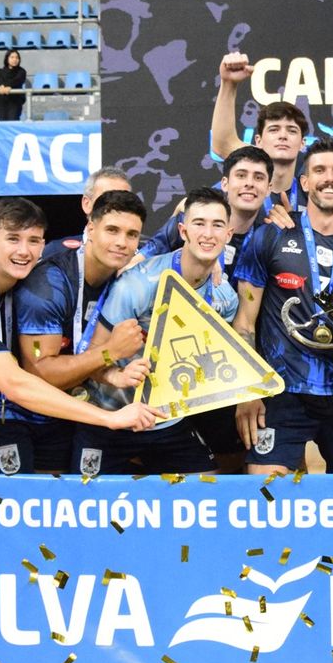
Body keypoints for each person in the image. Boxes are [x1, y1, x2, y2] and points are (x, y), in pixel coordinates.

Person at [0, 198, 165, 476]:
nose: (24, 251)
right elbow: (21, 378)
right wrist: (109, 411)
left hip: (6, 405)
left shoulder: (103, 272)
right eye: (13, 239)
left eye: (33, 240)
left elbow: (172, 234)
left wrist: (108, 374)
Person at [231, 139, 333, 474]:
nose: (328, 178)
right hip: (283, 390)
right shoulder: (269, 236)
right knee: (266, 494)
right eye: (319, 170)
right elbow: (244, 323)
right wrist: (248, 391)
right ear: (304, 182)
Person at [91, 187, 240, 473]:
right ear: (183, 231)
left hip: (169, 421)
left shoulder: (226, 298)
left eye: (217, 225)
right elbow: (94, 355)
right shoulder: (138, 284)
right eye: (199, 223)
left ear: (228, 235)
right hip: (111, 415)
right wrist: (117, 375)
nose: (208, 234)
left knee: (208, 490)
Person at [14, 190, 152, 474]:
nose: (121, 243)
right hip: (22, 418)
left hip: (74, 415)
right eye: (112, 230)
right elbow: (39, 373)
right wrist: (110, 353)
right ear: (90, 228)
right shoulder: (49, 284)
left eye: (131, 235)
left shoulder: (123, 277)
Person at [140, 146, 273, 277]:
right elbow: (139, 262)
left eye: (259, 177)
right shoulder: (188, 221)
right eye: (241, 175)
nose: (249, 183)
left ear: (268, 188)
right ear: (225, 184)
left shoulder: (269, 239)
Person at [211, 53, 309, 205]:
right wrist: (229, 84)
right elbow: (223, 144)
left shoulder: (314, 185)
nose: (283, 136)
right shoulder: (238, 191)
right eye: (274, 129)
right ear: (258, 140)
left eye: (292, 130)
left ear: (303, 143)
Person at [41, 166, 136, 259]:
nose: (116, 207)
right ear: (87, 204)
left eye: (124, 200)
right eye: (106, 199)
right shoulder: (56, 252)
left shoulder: (144, 255)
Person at [0, 48, 27, 122]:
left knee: (13, 121)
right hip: (1, 102)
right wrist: (3, 87)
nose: (15, 59)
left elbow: (18, 81)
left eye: (17, 57)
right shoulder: (0, 71)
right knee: (1, 121)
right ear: (7, 58)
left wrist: (8, 86)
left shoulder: (22, 71)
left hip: (15, 101)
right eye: (12, 57)